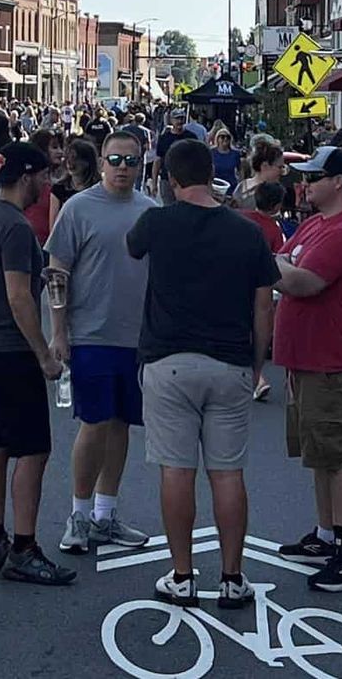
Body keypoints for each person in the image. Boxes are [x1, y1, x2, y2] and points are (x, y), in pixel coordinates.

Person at [127, 138, 277, 606]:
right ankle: (233, 578)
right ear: (212, 171)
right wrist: (255, 365)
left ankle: (183, 575)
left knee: (177, 471)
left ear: (172, 180)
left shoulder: (157, 221)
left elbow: (132, 248)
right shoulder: (248, 232)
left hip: (168, 361)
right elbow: (262, 306)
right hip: (230, 362)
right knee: (227, 474)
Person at [273, 145, 342, 592]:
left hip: (333, 360)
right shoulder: (318, 223)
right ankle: (326, 536)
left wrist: (261, 259)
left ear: (338, 181)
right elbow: (288, 260)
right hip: (309, 358)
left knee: (339, 456)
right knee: (320, 453)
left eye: (314, 176)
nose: (305, 183)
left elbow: (301, 280)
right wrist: (280, 263)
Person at [0, 143, 75, 587]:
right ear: (26, 176)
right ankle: (25, 548)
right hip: (10, 350)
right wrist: (43, 354)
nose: (46, 185)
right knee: (33, 450)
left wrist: (38, 273)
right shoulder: (13, 225)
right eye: (44, 176)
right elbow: (15, 296)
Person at [46, 130, 155, 554]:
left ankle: (105, 515)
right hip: (91, 333)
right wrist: (59, 331)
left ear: (142, 164)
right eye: (115, 160)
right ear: (102, 162)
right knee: (94, 423)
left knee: (122, 424)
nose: (122, 168)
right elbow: (57, 270)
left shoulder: (150, 211)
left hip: (138, 339)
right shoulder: (79, 208)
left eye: (131, 161)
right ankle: (79, 513)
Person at [240, 181, 286, 403]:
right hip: (260, 289)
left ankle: (256, 379)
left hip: (236, 285)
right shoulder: (273, 230)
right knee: (257, 332)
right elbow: (277, 261)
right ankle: (257, 379)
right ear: (277, 206)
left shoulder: (241, 217)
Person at [48, 139, 99, 234]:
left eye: (75, 159)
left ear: (87, 162)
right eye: (68, 158)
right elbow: (54, 227)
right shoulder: (58, 189)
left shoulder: (99, 189)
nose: (70, 163)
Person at [25, 129, 66, 247]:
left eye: (60, 147)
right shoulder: (29, 179)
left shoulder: (63, 179)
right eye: (54, 147)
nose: (60, 152)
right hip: (32, 243)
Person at [233, 139, 285, 210]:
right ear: (265, 166)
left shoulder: (242, 186)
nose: (282, 171)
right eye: (280, 167)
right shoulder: (242, 186)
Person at [151, 109, 189, 205]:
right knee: (169, 208)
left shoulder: (191, 137)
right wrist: (154, 183)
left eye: (181, 118)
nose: (179, 121)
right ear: (171, 120)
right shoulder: (164, 138)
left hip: (186, 180)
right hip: (166, 180)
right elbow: (158, 161)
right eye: (177, 119)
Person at [209, 128, 243, 193]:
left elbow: (240, 170)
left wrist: (240, 184)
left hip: (231, 187)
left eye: (228, 137)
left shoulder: (235, 153)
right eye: (222, 137)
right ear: (217, 139)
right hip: (215, 186)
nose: (225, 139)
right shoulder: (211, 152)